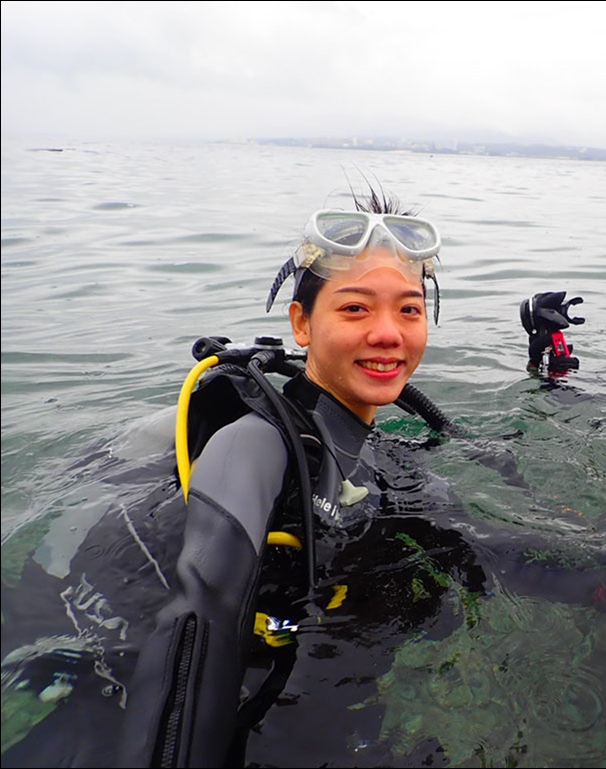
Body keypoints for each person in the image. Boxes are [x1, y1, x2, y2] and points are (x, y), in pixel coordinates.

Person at [115, 188, 478, 767]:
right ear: (302, 323)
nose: (389, 333)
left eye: (408, 309)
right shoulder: (258, 445)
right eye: (355, 308)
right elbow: (197, 620)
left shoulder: (370, 448)